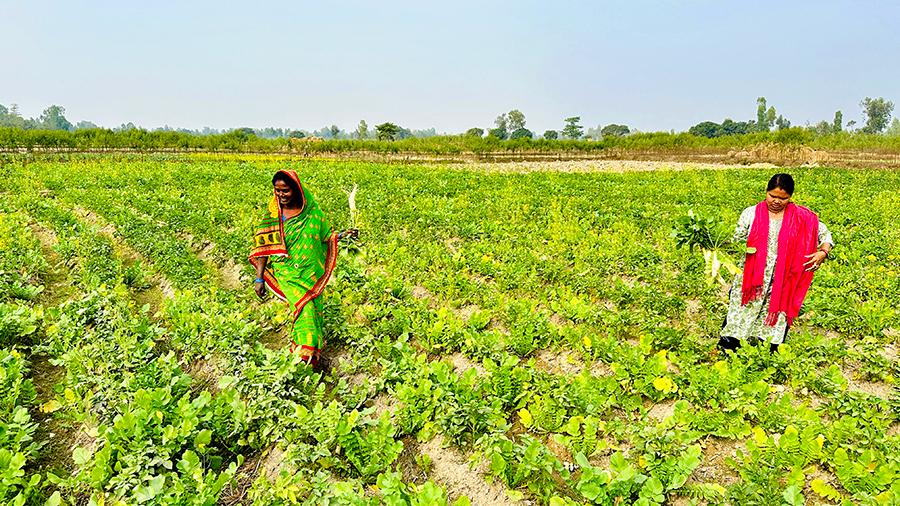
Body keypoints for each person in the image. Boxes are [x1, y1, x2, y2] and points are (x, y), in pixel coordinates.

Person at [249, 170, 357, 367]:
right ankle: (301, 361)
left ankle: (311, 359)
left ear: (297, 190)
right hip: (287, 274)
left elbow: (326, 236)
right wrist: (259, 278)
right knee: (304, 310)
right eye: (277, 191)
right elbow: (263, 248)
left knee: (315, 312)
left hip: (309, 272)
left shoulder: (314, 214)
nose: (281, 195)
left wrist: (343, 236)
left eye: (286, 191)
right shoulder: (273, 215)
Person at [718, 173, 834, 354]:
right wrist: (717, 242)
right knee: (741, 310)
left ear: (791, 196)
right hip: (752, 278)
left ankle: (768, 351)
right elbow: (737, 239)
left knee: (776, 312)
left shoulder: (802, 216)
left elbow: (825, 234)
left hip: (783, 279)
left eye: (783, 198)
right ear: (766, 191)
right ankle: (729, 346)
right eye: (772, 196)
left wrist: (823, 252)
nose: (777, 201)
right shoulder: (751, 213)